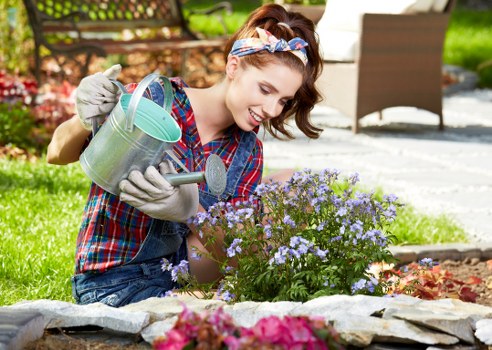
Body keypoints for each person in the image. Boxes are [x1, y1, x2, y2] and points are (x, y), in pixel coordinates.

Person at [46, 3, 323, 307]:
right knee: (235, 311)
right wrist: (84, 119)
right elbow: (56, 153)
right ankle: (214, 301)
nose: (272, 110)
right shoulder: (157, 101)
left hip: (178, 270)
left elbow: (229, 252)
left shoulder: (247, 150)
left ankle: (215, 298)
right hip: (112, 279)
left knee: (298, 188)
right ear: (233, 67)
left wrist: (192, 212)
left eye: (284, 100)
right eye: (265, 89)